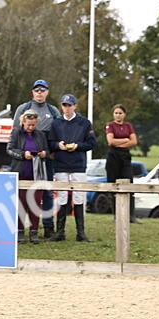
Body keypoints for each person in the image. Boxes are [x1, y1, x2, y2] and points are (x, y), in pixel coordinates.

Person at [14, 79, 60, 238]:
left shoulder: (53, 111)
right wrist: (20, 154)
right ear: (32, 92)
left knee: (46, 191)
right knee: (22, 193)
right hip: (25, 157)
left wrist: (51, 152)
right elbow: (15, 133)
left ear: (47, 92)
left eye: (43, 90)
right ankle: (21, 229)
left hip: (45, 157)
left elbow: (58, 132)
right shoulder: (23, 108)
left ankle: (48, 227)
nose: (39, 93)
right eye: (37, 90)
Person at [50, 94, 97, 242]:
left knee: (79, 196)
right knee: (62, 197)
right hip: (61, 164)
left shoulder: (84, 123)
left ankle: (80, 233)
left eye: (69, 105)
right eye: (64, 105)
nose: (67, 108)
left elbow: (91, 143)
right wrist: (58, 145)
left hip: (78, 164)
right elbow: (50, 142)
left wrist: (77, 146)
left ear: (75, 106)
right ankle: (60, 232)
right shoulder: (56, 123)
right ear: (61, 106)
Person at [8, 109, 48, 244]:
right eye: (28, 125)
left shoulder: (40, 135)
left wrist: (43, 153)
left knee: (35, 204)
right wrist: (22, 154)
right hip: (21, 173)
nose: (31, 127)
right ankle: (19, 231)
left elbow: (47, 150)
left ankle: (34, 231)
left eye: (33, 125)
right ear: (23, 122)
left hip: (37, 174)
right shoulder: (16, 133)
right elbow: (9, 149)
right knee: (21, 204)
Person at [105, 104, 139, 221]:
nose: (118, 115)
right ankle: (116, 215)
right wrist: (125, 140)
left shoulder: (128, 126)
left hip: (125, 156)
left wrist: (121, 143)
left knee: (128, 182)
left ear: (124, 114)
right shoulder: (110, 125)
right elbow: (111, 141)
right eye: (116, 113)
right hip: (113, 156)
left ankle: (131, 215)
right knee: (113, 184)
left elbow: (134, 141)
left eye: (120, 113)